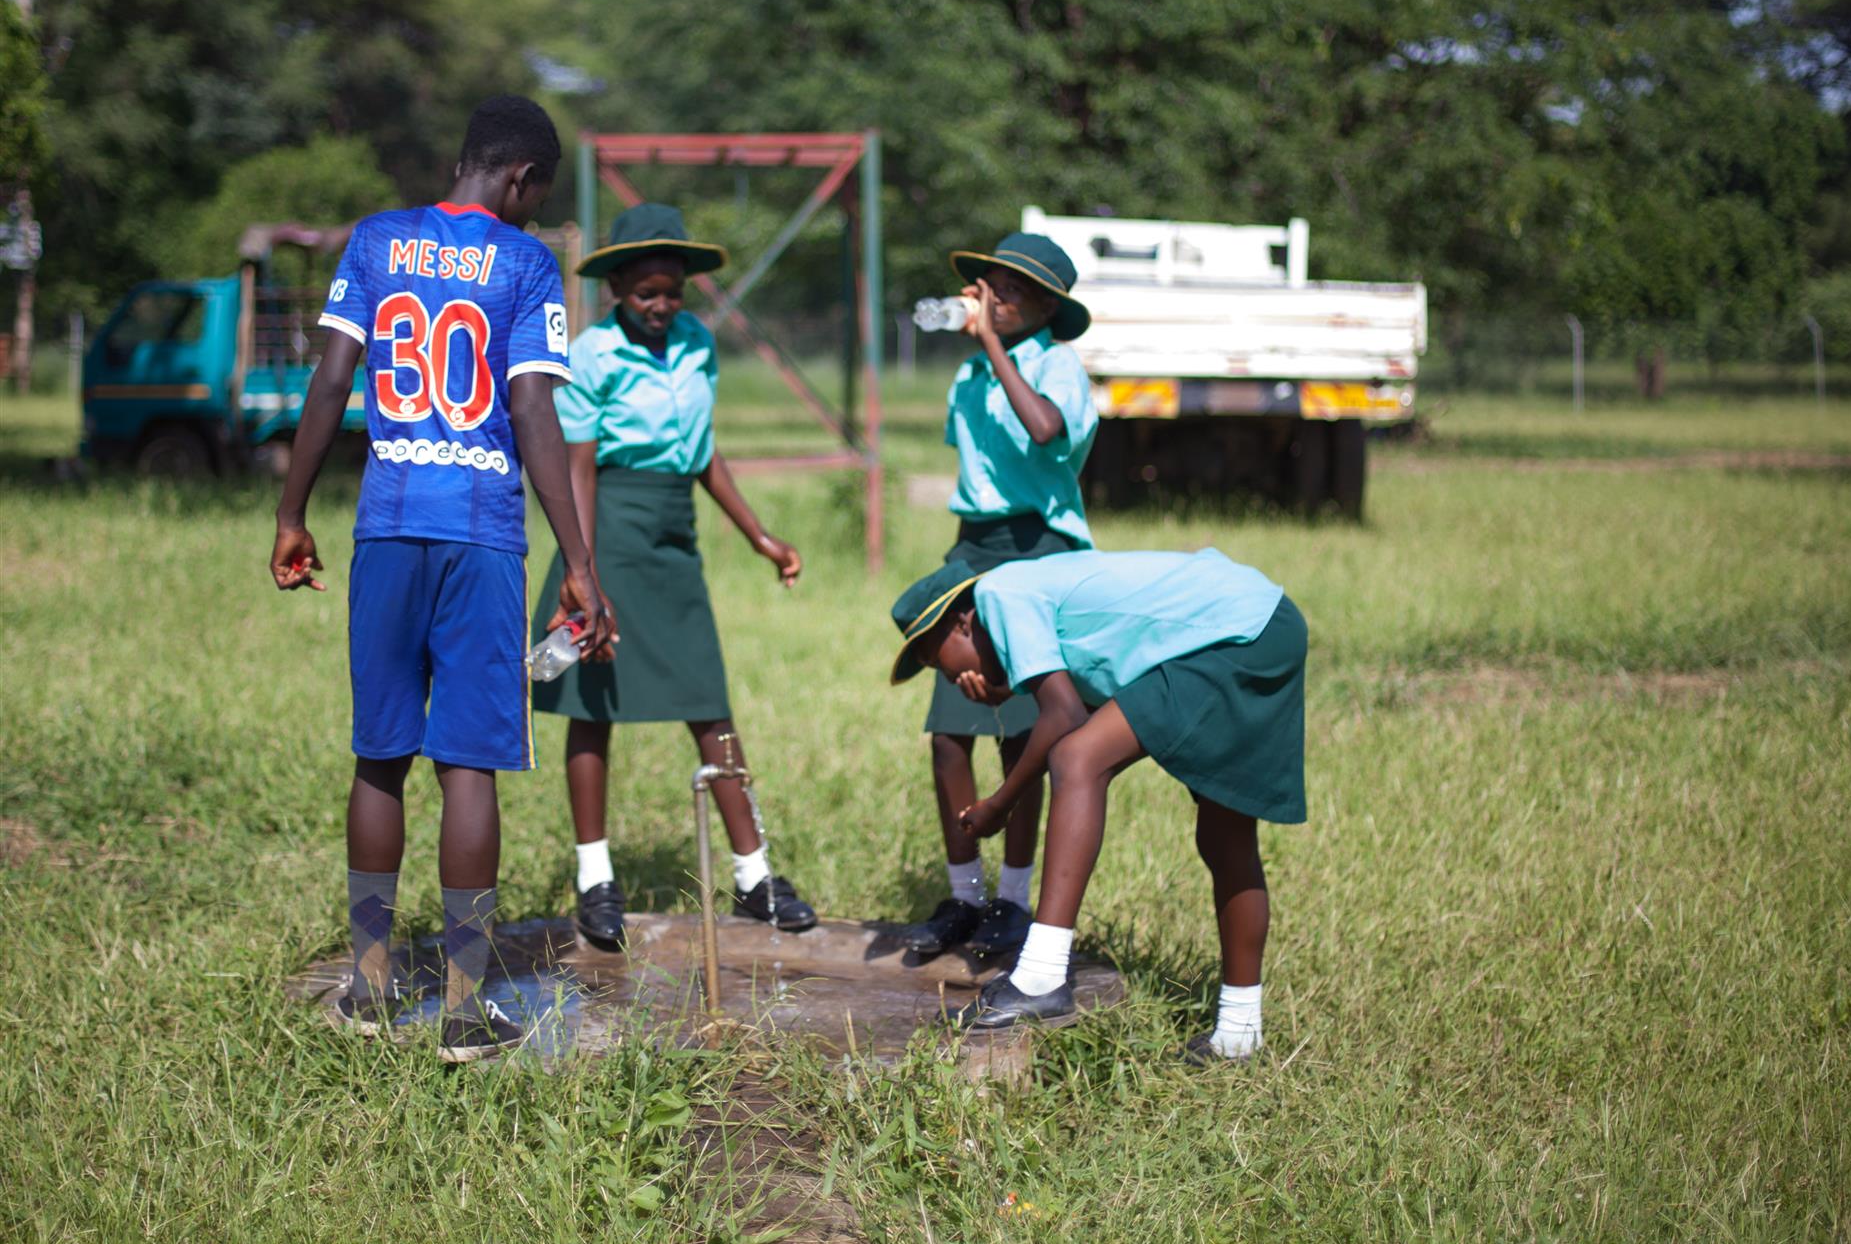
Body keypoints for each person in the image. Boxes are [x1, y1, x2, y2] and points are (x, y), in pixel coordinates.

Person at [271, 94, 610, 1063]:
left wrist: (292, 514)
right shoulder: (526, 263)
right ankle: (464, 1010)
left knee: (380, 755)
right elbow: (533, 412)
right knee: (468, 764)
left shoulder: (377, 240)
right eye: (540, 194)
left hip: (386, 527)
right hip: (481, 538)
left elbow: (331, 381)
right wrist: (578, 564)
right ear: (521, 179)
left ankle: (368, 986)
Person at [887, 548, 1307, 1062]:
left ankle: (1041, 976)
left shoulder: (1000, 593)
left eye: (937, 660)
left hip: (1232, 633)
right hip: (1262, 622)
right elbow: (1082, 701)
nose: (949, 678)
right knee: (1224, 836)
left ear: (961, 623)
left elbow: (1064, 717)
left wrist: (1000, 804)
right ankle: (1240, 1031)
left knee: (1077, 759)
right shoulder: (1027, 592)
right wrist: (1005, 690)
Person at [531, 203, 818, 951]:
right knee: (594, 704)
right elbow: (579, 468)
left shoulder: (696, 343)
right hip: (607, 529)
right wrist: (584, 573)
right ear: (616, 289)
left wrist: (759, 536)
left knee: (707, 702)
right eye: (645, 293)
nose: (661, 306)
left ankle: (754, 876)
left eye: (671, 292)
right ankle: (595, 879)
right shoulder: (592, 354)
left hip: (673, 535)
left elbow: (701, 450)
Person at [906, 233, 1099, 959]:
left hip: (1039, 551)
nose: (996, 302)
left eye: (1013, 293)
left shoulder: (1058, 364)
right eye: (990, 288)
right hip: (974, 549)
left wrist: (992, 343)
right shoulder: (970, 374)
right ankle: (965, 895)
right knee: (949, 730)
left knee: (1023, 735)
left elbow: (1046, 431)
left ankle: (1013, 902)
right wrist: (985, 349)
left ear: (1048, 308)